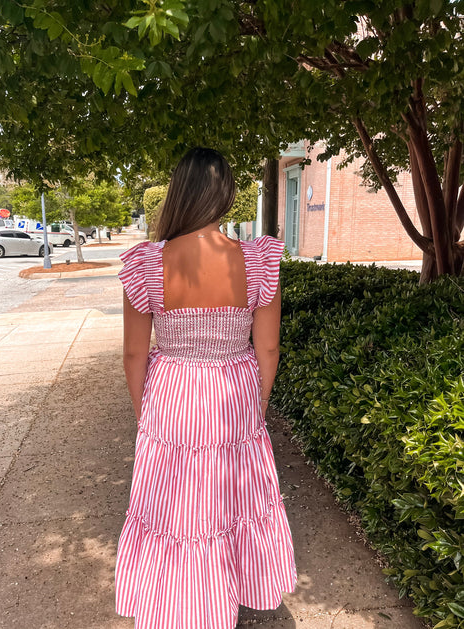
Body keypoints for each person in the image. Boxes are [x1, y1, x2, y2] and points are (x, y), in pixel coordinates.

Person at [115, 147, 297, 629]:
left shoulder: (147, 264)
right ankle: (226, 592)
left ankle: (181, 600)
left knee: (175, 503)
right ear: (226, 196)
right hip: (233, 388)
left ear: (178, 193)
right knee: (228, 495)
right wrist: (254, 408)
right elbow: (270, 349)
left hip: (173, 391)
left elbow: (134, 354)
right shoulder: (257, 259)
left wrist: (146, 414)